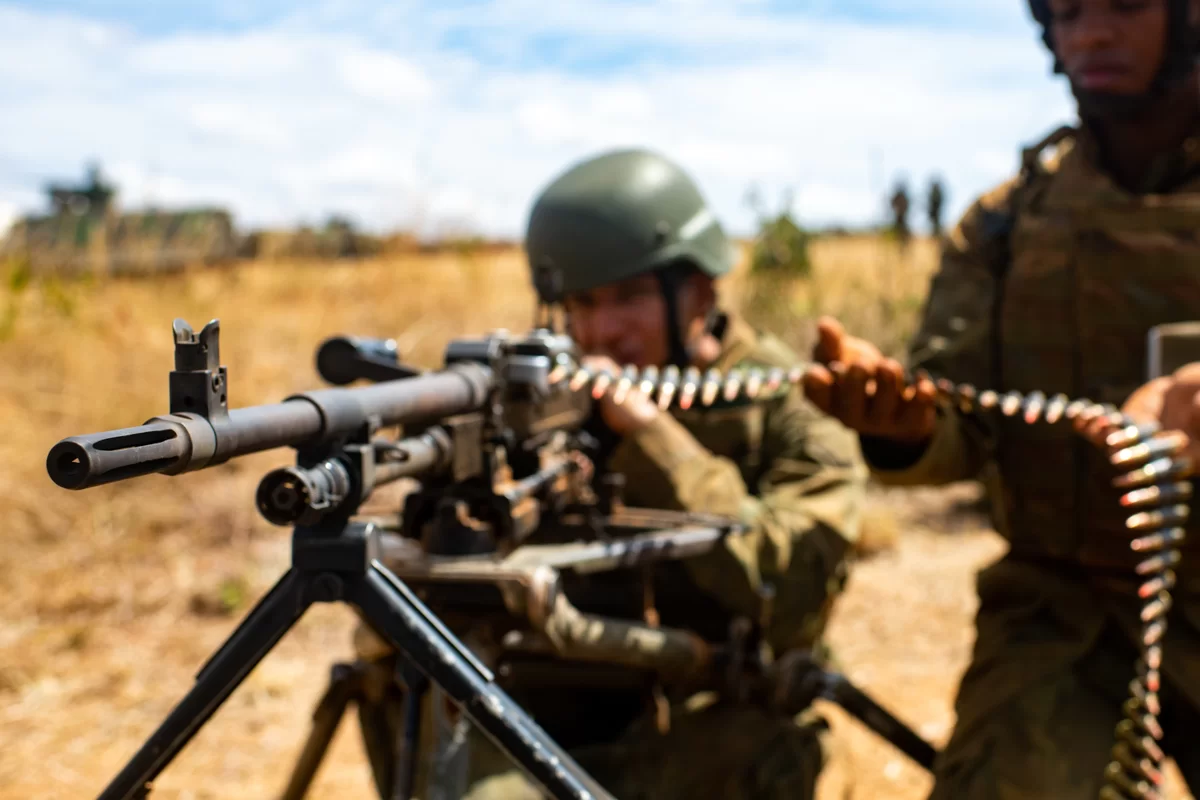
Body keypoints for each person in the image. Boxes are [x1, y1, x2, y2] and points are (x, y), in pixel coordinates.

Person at [355, 148, 868, 799]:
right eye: (582, 303)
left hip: (714, 723)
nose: (601, 330)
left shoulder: (784, 403)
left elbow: (790, 585)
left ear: (700, 290)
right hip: (547, 717)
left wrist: (651, 436)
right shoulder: (552, 398)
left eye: (628, 298)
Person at [802, 1, 1200, 797]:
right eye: (1068, 11)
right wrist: (906, 428)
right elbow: (963, 421)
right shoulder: (1007, 224)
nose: (1090, 34)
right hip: (1063, 612)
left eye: (1124, 5)